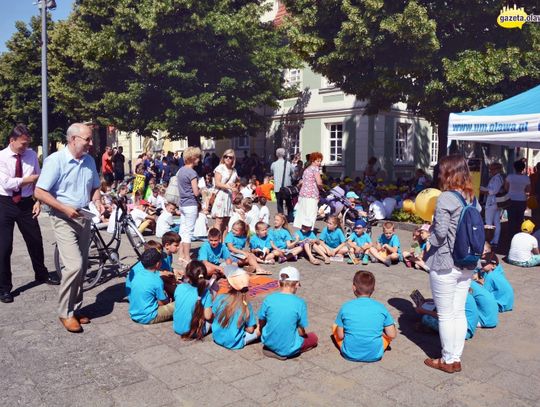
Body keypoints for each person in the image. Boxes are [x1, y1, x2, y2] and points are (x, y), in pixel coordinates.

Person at [35, 123, 101, 333]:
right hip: (63, 217)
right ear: (73, 139)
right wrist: (64, 208)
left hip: (84, 216)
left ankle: (76, 308)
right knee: (73, 266)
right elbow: (40, 192)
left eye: (91, 139)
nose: (91, 143)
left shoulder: (89, 160)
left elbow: (95, 188)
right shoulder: (56, 161)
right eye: (87, 139)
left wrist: (98, 201)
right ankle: (65, 312)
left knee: (82, 267)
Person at [423, 155, 480, 373]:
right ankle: (455, 358)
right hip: (467, 261)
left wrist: (426, 237)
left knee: (446, 314)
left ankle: (447, 360)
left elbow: (439, 234)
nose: (438, 174)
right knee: (458, 311)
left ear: (448, 172)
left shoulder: (446, 197)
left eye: (441, 170)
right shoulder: (472, 197)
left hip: (446, 261)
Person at [0, 124, 59, 304]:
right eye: (23, 144)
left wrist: (38, 201)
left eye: (27, 144)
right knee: (4, 247)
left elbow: (39, 180)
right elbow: (8, 183)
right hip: (5, 203)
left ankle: (41, 274)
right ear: (12, 140)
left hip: (27, 204)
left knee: (35, 240)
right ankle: (4, 288)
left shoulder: (31, 155)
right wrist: (30, 179)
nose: (25, 147)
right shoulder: (1, 157)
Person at [332, 271, 397, 362]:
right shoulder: (381, 308)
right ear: (373, 289)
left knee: (335, 327)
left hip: (349, 353)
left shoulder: (345, 307)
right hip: (375, 355)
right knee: (388, 327)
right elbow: (392, 335)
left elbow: (340, 335)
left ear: (353, 288)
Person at [258, 267, 318, 359]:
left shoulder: (268, 299)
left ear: (278, 283)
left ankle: (273, 348)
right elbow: (301, 331)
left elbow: (261, 320)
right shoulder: (300, 302)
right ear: (297, 284)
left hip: (268, 343)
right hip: (288, 348)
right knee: (313, 337)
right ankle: (289, 351)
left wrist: (262, 332)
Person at [212, 265, 260, 350]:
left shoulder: (220, 297)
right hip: (234, 342)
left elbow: (214, 315)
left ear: (229, 285)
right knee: (260, 328)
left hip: (217, 337)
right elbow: (250, 330)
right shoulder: (245, 304)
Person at [128, 248, 175, 324]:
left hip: (134, 314)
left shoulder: (138, 274)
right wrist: (168, 301)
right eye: (161, 261)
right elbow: (163, 302)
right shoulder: (156, 280)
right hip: (149, 317)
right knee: (180, 303)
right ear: (157, 264)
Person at [173, 260, 213, 340]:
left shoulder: (179, 287)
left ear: (187, 275)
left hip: (177, 327)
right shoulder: (206, 293)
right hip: (195, 332)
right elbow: (208, 316)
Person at [175, 146, 201, 261]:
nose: (199, 159)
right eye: (198, 157)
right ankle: (187, 256)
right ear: (193, 158)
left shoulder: (180, 171)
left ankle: (180, 254)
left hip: (182, 204)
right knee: (189, 232)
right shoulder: (192, 172)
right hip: (191, 203)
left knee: (183, 229)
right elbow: (196, 192)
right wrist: (203, 190)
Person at [211, 149, 238, 238]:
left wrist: (235, 185)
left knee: (226, 221)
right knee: (219, 220)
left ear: (233, 159)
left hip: (229, 197)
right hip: (221, 195)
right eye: (225, 156)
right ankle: (216, 240)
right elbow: (217, 183)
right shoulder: (220, 168)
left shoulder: (234, 170)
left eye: (230, 157)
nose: (227, 159)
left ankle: (223, 242)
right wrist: (229, 187)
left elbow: (236, 182)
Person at [293, 152, 323, 229]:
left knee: (303, 212)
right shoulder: (315, 169)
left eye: (320, 161)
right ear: (313, 160)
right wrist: (321, 187)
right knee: (311, 213)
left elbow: (302, 181)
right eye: (317, 161)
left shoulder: (307, 169)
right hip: (312, 194)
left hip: (303, 194)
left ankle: (302, 229)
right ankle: (309, 230)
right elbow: (319, 182)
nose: (319, 163)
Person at [480, 162, 504, 247]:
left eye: (492, 169)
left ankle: (488, 241)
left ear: (497, 169)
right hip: (495, 202)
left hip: (492, 202)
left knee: (489, 222)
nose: (490, 171)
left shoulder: (496, 179)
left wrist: (482, 191)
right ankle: (494, 240)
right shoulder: (498, 178)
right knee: (496, 222)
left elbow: (492, 191)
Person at [505, 159, 530, 237]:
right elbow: (528, 190)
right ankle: (519, 235)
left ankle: (510, 235)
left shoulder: (510, 176)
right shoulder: (526, 178)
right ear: (523, 168)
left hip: (510, 199)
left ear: (514, 168)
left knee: (511, 218)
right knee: (520, 219)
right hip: (522, 199)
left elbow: (506, 187)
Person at [270, 148, 295, 222]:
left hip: (278, 187)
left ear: (276, 155)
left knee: (279, 203)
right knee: (289, 203)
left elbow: (271, 172)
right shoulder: (288, 163)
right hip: (287, 187)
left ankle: (281, 218)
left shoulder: (273, 164)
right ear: (284, 155)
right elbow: (292, 172)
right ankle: (290, 219)